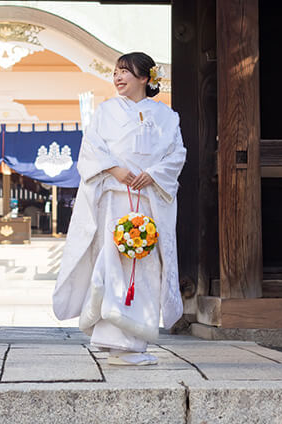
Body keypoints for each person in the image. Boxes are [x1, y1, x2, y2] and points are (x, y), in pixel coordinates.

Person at [51, 51, 186, 365]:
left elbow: (177, 154)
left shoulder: (166, 116)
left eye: (125, 71)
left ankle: (132, 342)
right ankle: (116, 342)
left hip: (149, 200)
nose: (117, 77)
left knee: (145, 267)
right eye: (115, 72)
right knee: (112, 264)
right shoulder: (106, 111)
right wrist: (114, 169)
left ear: (145, 78)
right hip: (114, 200)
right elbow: (91, 148)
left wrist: (153, 174)